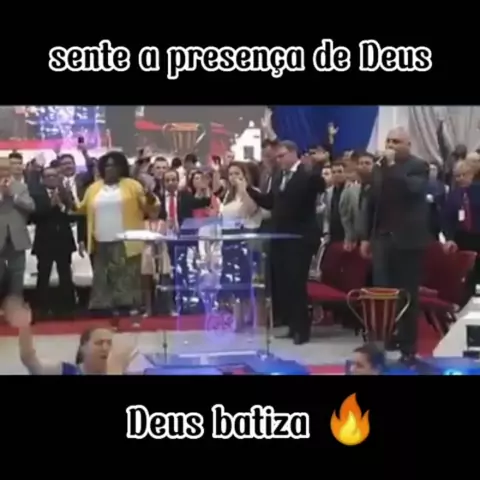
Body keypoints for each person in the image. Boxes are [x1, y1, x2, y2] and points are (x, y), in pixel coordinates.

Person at [358, 128, 429, 364]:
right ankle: (383, 342)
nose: (390, 145)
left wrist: (391, 166)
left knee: (407, 294)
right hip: (382, 238)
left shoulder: (419, 166)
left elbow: (412, 189)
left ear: (408, 144)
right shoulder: (380, 167)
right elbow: (373, 202)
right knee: (382, 293)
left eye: (396, 141)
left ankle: (408, 347)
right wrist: (366, 237)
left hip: (408, 240)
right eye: (388, 141)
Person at [244, 140, 325, 344]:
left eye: (281, 156)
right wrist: (250, 191)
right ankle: (291, 324)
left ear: (293, 154)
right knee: (283, 283)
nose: (278, 160)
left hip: (299, 238)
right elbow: (272, 202)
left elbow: (318, 185)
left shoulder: (305, 175)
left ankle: (302, 330)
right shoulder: (280, 176)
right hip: (280, 236)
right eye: (277, 157)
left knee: (296, 283)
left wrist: (318, 164)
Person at [75, 151, 159, 316]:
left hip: (126, 242)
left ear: (121, 168)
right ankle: (105, 312)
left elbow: (150, 207)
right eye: (107, 165)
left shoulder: (132, 185)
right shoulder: (94, 188)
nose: (110, 169)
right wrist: (66, 198)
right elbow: (81, 209)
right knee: (103, 280)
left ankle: (127, 310)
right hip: (100, 241)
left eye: (114, 165)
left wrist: (149, 195)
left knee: (126, 279)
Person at [3, 296, 136, 375]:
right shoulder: (65, 371)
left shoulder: (122, 371)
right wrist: (24, 327)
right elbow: (31, 362)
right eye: (99, 343)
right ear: (83, 348)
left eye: (109, 343)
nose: (105, 347)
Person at [220, 162, 264, 329]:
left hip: (247, 239)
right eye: (231, 174)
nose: (233, 178)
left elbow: (249, 211)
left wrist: (244, 190)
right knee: (233, 279)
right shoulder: (228, 195)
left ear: (245, 175)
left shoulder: (252, 193)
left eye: (237, 174)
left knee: (247, 279)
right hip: (229, 238)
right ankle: (237, 316)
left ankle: (251, 316)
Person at [30, 167, 76, 319]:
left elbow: (73, 213)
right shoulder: (36, 194)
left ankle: (67, 309)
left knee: (65, 275)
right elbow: (34, 216)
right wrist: (50, 205)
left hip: (63, 239)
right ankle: (41, 309)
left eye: (54, 176)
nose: (51, 179)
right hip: (44, 241)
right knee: (43, 275)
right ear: (43, 179)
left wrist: (61, 205)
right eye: (48, 176)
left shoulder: (65, 192)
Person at [0, 157, 35, 297]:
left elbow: (31, 207)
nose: (4, 172)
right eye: (1, 169)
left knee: (17, 273)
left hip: (17, 237)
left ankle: (15, 304)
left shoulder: (21, 187)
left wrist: (13, 196)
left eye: (6, 169)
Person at [58, 151, 95, 260]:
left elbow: (91, 168)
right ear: (60, 167)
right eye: (64, 164)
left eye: (69, 163)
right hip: (67, 222)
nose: (67, 166)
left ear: (74, 164)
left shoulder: (83, 178)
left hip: (86, 218)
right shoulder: (57, 183)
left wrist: (85, 152)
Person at [141, 214, 168, 316]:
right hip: (148, 253)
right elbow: (144, 237)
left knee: (163, 281)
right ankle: (148, 309)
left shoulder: (162, 223)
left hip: (161, 252)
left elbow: (163, 235)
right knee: (147, 282)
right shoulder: (144, 224)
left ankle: (163, 308)